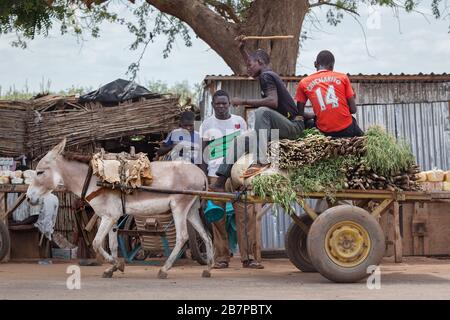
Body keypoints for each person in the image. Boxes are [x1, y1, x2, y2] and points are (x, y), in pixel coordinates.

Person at [212, 38, 304, 190]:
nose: (247, 68)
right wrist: (242, 50)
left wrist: (243, 101)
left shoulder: (266, 76)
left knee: (263, 112)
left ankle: (261, 160)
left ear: (260, 62)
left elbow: (273, 101)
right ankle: (220, 182)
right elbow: (252, 61)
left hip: (293, 127)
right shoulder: (264, 73)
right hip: (279, 128)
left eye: (250, 65)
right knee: (240, 140)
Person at [200, 90, 263, 269]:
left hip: (237, 175)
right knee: (216, 218)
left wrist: (249, 172)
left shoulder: (239, 122)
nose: (221, 107)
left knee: (245, 215)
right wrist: (205, 179)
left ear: (229, 104)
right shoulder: (206, 124)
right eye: (217, 104)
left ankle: (248, 258)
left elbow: (247, 147)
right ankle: (221, 258)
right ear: (213, 105)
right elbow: (202, 154)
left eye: (224, 104)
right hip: (214, 176)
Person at [295, 50, 363, 138]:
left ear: (315, 64)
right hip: (347, 129)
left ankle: (274, 150)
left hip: (324, 131)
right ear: (332, 66)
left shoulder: (303, 82)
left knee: (308, 123)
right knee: (361, 134)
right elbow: (353, 110)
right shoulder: (343, 77)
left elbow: (300, 113)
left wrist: (317, 115)